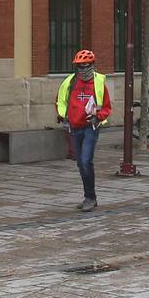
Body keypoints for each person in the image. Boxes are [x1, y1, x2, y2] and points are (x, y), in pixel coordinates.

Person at [55, 49, 108, 213]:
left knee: (86, 161)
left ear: (92, 65)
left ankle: (90, 198)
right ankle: (89, 196)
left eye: (85, 66)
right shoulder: (69, 82)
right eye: (79, 66)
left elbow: (106, 107)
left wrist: (98, 117)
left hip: (91, 127)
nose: (82, 70)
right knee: (80, 163)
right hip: (74, 127)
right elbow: (61, 101)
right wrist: (63, 116)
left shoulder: (99, 83)